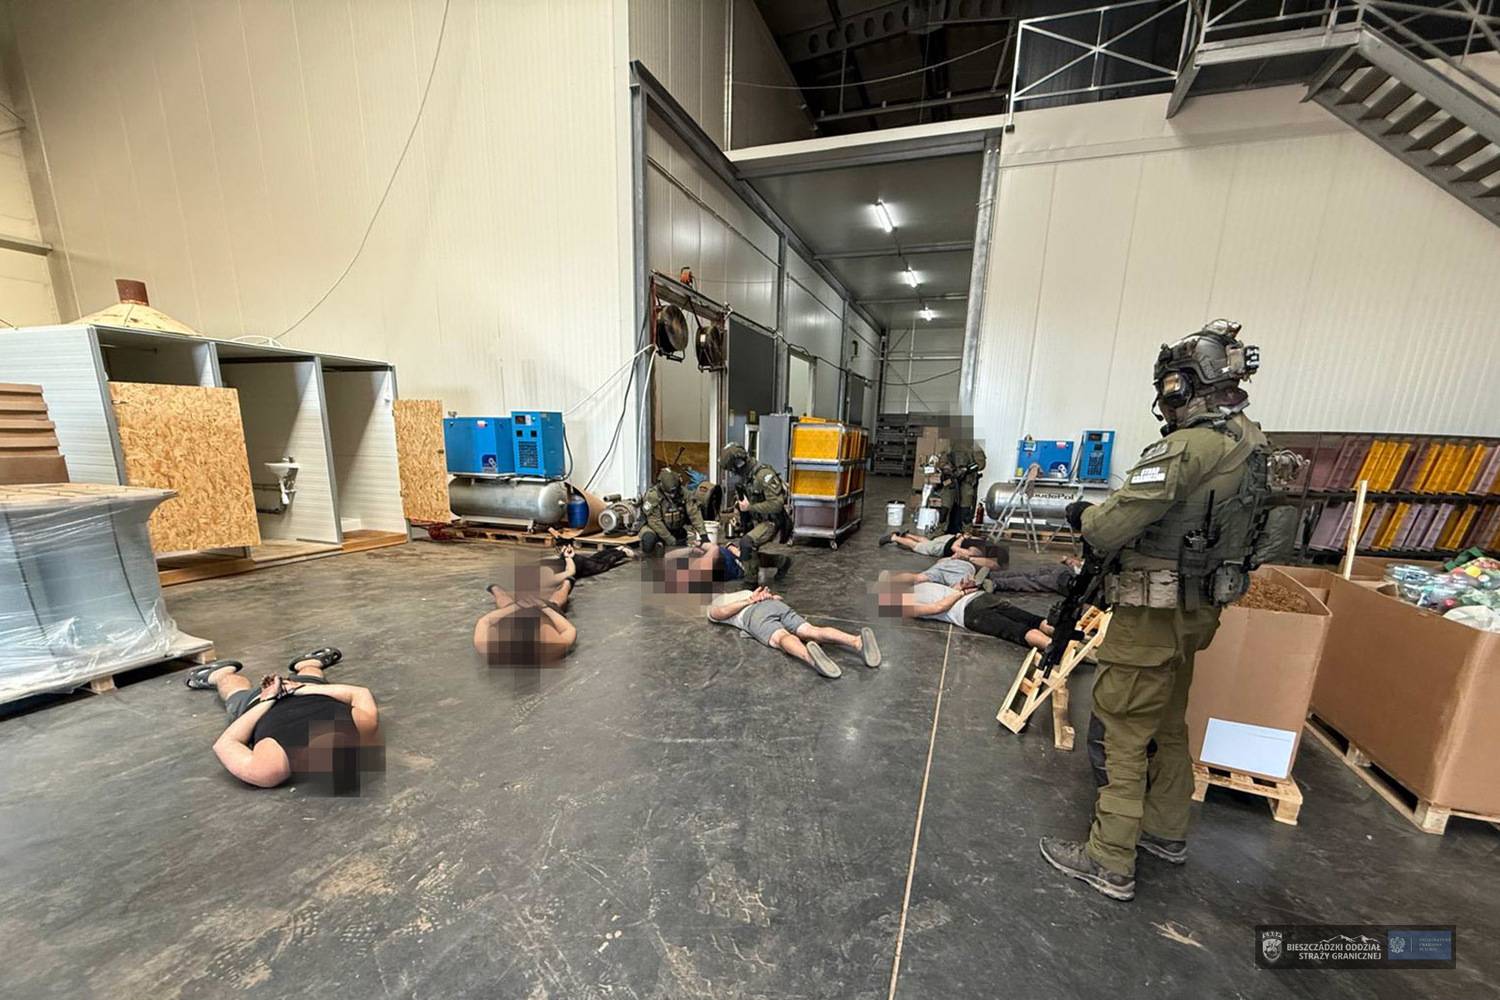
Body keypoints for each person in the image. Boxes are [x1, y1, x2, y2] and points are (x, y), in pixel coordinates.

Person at [1039, 319, 1270, 903]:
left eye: (1169, 385)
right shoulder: (1251, 440)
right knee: (1168, 723)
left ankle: (1109, 857)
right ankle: (1166, 832)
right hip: (1199, 609)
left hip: (1151, 611)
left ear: (1184, 384)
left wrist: (1083, 516)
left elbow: (1109, 526)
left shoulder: (1189, 446)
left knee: (1122, 729)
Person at [184, 648, 379, 792]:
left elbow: (225, 743)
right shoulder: (361, 724)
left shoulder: (271, 767)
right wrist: (299, 689)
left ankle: (221, 674)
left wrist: (268, 700)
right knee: (312, 676)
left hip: (259, 704)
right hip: (305, 690)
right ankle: (308, 664)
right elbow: (359, 693)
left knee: (234, 689)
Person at [707, 586, 880, 679]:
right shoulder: (745, 591)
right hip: (773, 605)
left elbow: (719, 613)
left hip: (754, 615)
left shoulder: (717, 602)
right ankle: (856, 641)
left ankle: (811, 657)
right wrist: (766, 596)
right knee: (811, 630)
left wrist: (749, 600)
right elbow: (776, 598)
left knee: (782, 638)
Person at [879, 578, 1056, 651]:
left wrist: (961, 590)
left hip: (970, 610)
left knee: (1016, 630)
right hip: (979, 599)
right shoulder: (908, 602)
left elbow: (940, 604)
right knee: (1030, 620)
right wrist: (961, 591)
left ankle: (1055, 649)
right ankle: (1062, 639)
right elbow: (939, 604)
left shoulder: (912, 596)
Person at [474, 565, 577, 665]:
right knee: (556, 602)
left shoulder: (490, 649)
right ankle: (567, 584)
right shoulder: (551, 645)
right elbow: (569, 629)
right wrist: (545, 608)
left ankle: (495, 588)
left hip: (523, 614)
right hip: (543, 613)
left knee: (505, 603)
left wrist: (515, 607)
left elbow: (484, 621)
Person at [719, 443, 791, 584]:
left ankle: (751, 583)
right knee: (747, 554)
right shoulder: (746, 476)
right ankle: (781, 561)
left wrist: (750, 507)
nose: (733, 473)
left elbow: (777, 504)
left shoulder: (764, 475)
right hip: (756, 519)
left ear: (739, 464)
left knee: (746, 543)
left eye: (732, 469)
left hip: (772, 520)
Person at [664, 540, 789, 589]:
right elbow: (714, 549)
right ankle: (781, 561)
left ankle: (781, 561)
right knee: (748, 557)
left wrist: (691, 549)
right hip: (736, 565)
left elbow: (667, 557)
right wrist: (701, 544)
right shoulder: (699, 572)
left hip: (724, 557)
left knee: (745, 554)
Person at [639, 468, 707, 555]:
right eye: (670, 493)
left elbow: (694, 513)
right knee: (649, 541)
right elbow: (655, 521)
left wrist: (703, 534)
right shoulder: (653, 496)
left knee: (681, 553)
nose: (673, 495)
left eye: (675, 492)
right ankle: (651, 559)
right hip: (654, 529)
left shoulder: (684, 493)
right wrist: (671, 540)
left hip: (675, 528)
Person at [879, 529, 1009, 569]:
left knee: (928, 542)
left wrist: (962, 536)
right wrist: (961, 540)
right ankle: (894, 538)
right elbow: (955, 548)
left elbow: (971, 536)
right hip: (945, 547)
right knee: (919, 547)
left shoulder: (985, 542)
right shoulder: (977, 551)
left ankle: (907, 535)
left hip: (949, 537)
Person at [985, 556, 1082, 595]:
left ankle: (993, 578)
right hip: (1071, 576)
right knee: (1031, 579)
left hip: (1070, 577)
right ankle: (995, 581)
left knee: (1030, 576)